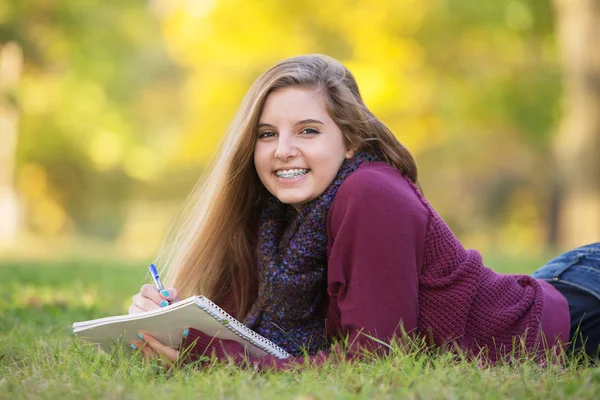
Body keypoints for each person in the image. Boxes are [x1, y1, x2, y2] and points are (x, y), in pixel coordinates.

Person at [128, 54, 600, 369]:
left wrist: (204, 355)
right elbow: (239, 324)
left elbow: (375, 359)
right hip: (555, 283)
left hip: (578, 313)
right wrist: (165, 319)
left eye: (308, 131)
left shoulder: (371, 193)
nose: (282, 150)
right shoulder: (276, 216)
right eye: (267, 134)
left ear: (351, 140)